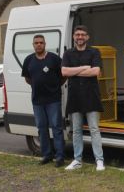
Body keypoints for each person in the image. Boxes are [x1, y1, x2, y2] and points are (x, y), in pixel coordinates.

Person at [62, 25, 105, 171]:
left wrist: (74, 71)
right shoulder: (68, 54)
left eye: (83, 35)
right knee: (76, 130)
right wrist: (84, 68)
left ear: (87, 37)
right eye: (77, 34)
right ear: (74, 36)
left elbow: (95, 71)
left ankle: (99, 160)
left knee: (94, 129)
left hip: (91, 96)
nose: (80, 37)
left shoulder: (94, 52)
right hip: (74, 97)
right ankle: (77, 160)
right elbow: (64, 72)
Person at [21, 34, 65, 167]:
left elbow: (63, 75)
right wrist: (37, 85)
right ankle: (47, 155)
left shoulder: (54, 59)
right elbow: (28, 79)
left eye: (41, 42)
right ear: (33, 45)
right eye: (36, 43)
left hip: (53, 100)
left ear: (45, 44)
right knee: (42, 128)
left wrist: (55, 87)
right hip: (37, 101)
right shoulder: (28, 60)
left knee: (57, 128)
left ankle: (60, 157)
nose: (38, 44)